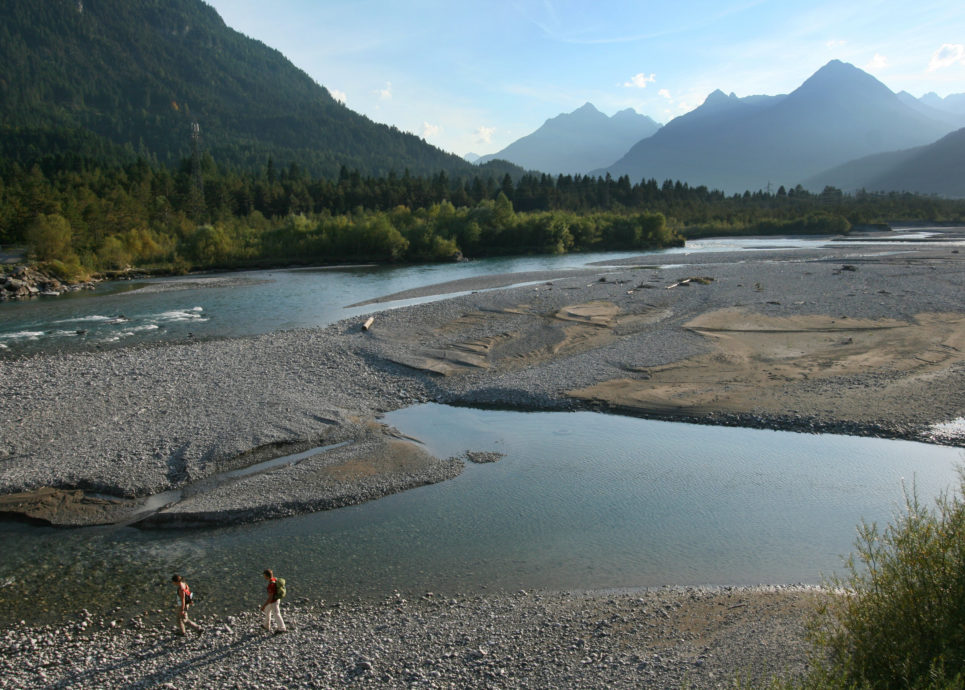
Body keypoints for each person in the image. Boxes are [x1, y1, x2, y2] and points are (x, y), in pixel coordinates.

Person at [261, 568, 287, 634]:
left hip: (274, 602)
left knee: (276, 614)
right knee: (267, 610)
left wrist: (264, 605)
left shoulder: (271, 585)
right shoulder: (275, 579)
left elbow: (270, 597)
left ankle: (282, 628)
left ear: (266, 576)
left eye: (264, 575)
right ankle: (266, 625)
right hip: (277, 599)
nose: (264, 577)